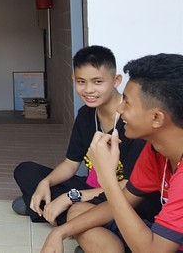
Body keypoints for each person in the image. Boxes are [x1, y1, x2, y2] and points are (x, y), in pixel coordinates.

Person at [41, 53, 183, 253]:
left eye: (127, 103)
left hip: (158, 247)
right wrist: (59, 233)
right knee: (80, 210)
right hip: (160, 239)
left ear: (157, 118)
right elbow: (126, 198)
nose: (119, 108)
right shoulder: (155, 150)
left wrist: (106, 175)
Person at [12, 45, 148, 225]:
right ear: (74, 79)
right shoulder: (85, 114)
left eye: (98, 82)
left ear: (116, 81)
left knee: (131, 206)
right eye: (82, 82)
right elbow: (70, 164)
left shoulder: (134, 121)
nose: (88, 90)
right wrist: (45, 183)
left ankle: (54, 211)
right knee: (25, 171)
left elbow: (130, 187)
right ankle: (71, 216)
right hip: (91, 188)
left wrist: (71, 196)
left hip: (121, 195)